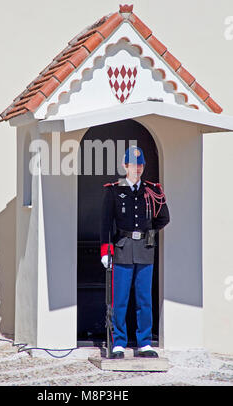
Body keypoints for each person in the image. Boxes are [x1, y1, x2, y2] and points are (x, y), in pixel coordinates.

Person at [100, 145, 170, 359]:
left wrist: (149, 232)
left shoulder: (153, 190)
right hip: (122, 247)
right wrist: (106, 250)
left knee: (144, 299)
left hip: (145, 249)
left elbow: (164, 217)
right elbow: (105, 223)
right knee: (120, 298)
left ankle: (145, 342)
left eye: (140, 165)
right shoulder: (114, 190)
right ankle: (119, 342)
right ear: (125, 166)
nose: (137, 169)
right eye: (133, 165)